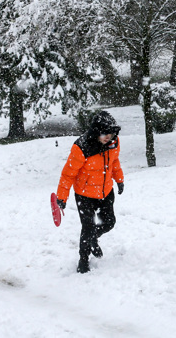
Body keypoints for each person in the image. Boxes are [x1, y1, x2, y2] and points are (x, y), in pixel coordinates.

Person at [55, 110, 124, 273]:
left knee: (109, 222)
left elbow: (114, 162)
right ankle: (83, 260)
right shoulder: (82, 147)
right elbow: (68, 174)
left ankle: (94, 238)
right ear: (96, 132)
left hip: (106, 192)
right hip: (84, 195)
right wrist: (61, 197)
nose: (109, 137)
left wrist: (119, 179)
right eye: (104, 133)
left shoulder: (114, 143)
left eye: (111, 133)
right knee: (88, 227)